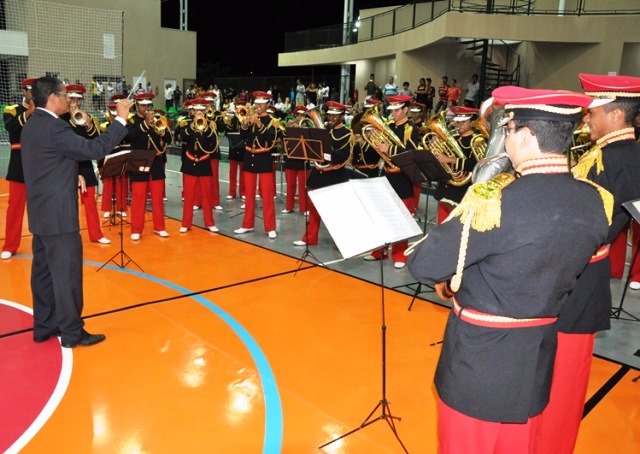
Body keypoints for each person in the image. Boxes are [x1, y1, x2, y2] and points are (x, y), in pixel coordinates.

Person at [407, 85, 611, 453]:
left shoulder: (497, 202)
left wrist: (475, 195)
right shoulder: (595, 200)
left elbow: (423, 264)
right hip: (535, 362)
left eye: (509, 130)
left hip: (480, 365)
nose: (506, 138)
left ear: (528, 136)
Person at [533, 73, 640, 454]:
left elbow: (600, 227)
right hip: (570, 275)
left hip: (580, 280)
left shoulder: (623, 159)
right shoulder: (608, 154)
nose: (587, 120)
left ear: (614, 115)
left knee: (564, 382)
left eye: (592, 112)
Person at [21, 76, 133, 348]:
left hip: (40, 212)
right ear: (52, 98)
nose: (68, 101)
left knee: (44, 274)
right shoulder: (55, 128)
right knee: (67, 275)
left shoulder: (32, 125)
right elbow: (94, 149)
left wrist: (68, 176)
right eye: (64, 95)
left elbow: (46, 164)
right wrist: (120, 119)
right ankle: (72, 332)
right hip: (60, 217)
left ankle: (44, 326)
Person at [362, 94, 421, 268]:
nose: (393, 113)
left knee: (400, 218)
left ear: (406, 110)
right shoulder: (388, 125)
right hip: (387, 173)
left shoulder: (411, 128)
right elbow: (377, 151)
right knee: (382, 215)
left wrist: (390, 148)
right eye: (392, 110)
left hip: (402, 176)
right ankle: (379, 251)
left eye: (396, 110)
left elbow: (410, 153)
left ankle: (399, 254)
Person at [293, 101, 352, 247]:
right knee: (313, 210)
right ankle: (310, 238)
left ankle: (342, 242)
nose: (330, 118)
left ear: (342, 117)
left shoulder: (347, 134)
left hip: (334, 175)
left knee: (336, 213)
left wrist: (326, 151)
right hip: (319, 173)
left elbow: (343, 155)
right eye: (330, 115)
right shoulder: (324, 131)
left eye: (334, 116)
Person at [60, 83, 110, 245]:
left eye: (78, 99)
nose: (75, 102)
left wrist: (87, 124)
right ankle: (68, 235)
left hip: (85, 163)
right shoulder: (60, 118)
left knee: (90, 202)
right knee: (66, 203)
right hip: (66, 163)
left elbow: (95, 139)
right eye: (72, 98)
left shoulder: (86, 116)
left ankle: (96, 234)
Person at [234, 91, 279, 239]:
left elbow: (271, 140)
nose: (258, 106)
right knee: (249, 195)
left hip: (264, 157)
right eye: (257, 104)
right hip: (249, 156)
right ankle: (247, 224)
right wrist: (245, 124)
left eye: (261, 104)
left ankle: (270, 227)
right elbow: (243, 136)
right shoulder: (250, 116)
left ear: (267, 104)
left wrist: (259, 123)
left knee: (267, 195)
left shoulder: (272, 121)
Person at [127, 92, 170, 240]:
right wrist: (145, 124)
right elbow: (129, 137)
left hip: (156, 164)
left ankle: (159, 227)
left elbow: (169, 138)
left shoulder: (158, 119)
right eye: (143, 105)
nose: (146, 108)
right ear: (137, 105)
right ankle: (136, 229)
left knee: (157, 197)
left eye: (148, 105)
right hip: (139, 163)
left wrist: (161, 130)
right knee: (138, 199)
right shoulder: (132, 121)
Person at [1, 78, 36, 260]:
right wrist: (28, 113)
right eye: (31, 91)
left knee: (40, 207)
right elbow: (11, 128)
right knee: (15, 208)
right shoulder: (12, 109)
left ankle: (42, 244)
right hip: (19, 165)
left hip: (40, 165)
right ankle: (10, 245)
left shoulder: (43, 112)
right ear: (24, 91)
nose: (34, 94)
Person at [432, 106, 484, 224]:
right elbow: (441, 159)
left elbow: (477, 165)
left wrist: (451, 160)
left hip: (461, 192)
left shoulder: (477, 140)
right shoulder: (453, 138)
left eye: (463, 122)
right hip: (445, 188)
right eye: (458, 122)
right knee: (440, 228)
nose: (459, 125)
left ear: (472, 122)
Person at [177, 97, 220, 234]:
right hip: (190, 162)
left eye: (203, 110)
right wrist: (192, 126)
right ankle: (186, 223)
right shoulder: (186, 123)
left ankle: (209, 223)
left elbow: (213, 141)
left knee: (207, 195)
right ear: (193, 110)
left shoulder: (211, 125)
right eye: (198, 110)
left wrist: (206, 127)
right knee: (189, 196)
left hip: (204, 162)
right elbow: (181, 137)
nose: (200, 112)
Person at [282, 105, 311, 215]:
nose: (300, 117)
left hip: (303, 160)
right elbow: (283, 138)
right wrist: (291, 128)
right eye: (298, 115)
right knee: (290, 185)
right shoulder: (290, 126)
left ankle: (304, 208)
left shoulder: (309, 127)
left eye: (302, 115)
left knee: (304, 186)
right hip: (291, 159)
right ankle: (289, 207)